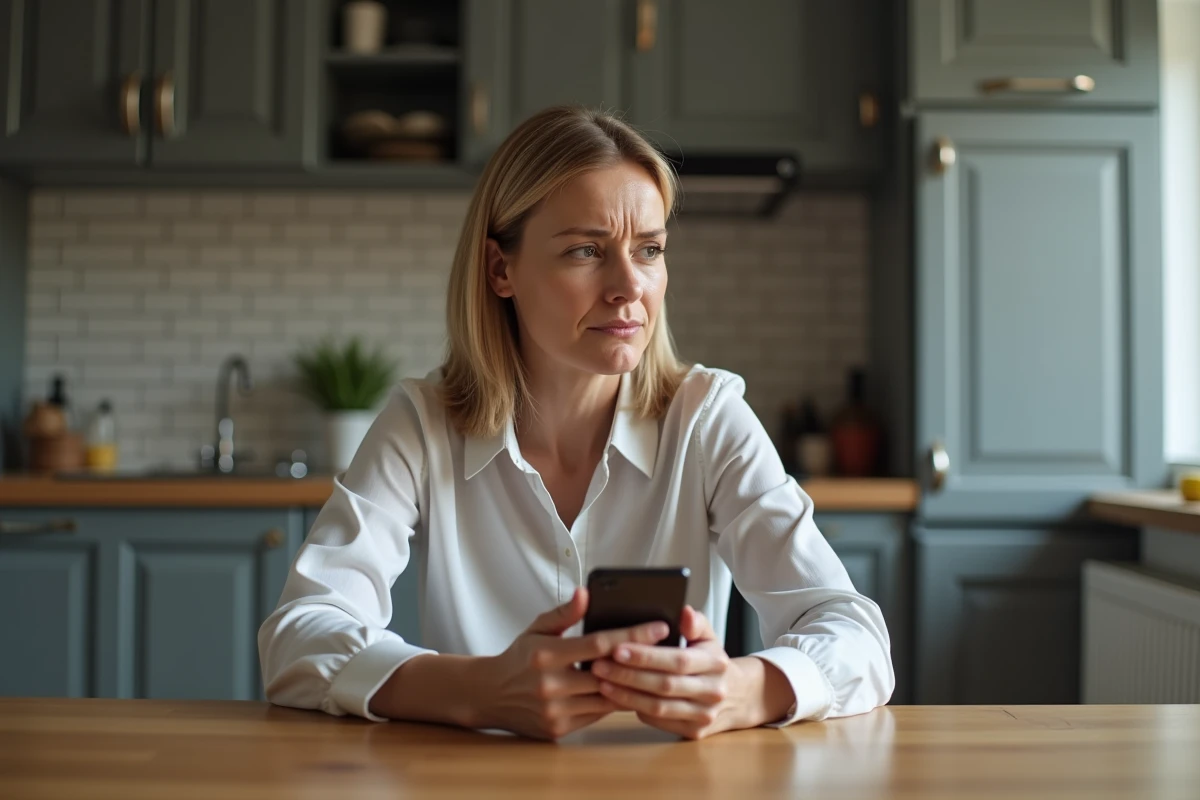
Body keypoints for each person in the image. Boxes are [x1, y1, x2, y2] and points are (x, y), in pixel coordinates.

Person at [258, 105, 894, 741]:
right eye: (586, 250)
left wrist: (743, 689)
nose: (628, 287)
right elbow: (299, 635)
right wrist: (480, 692)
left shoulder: (707, 417)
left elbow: (854, 634)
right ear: (500, 270)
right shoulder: (422, 424)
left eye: (649, 250)